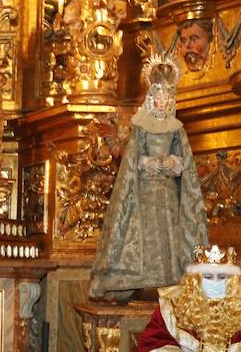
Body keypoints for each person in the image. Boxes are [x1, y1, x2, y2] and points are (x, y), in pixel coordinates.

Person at [89, 49, 209, 300]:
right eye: (158, 96)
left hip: (166, 191)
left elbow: (183, 160)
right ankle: (139, 280)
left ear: (171, 99)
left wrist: (173, 163)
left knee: (168, 234)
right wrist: (146, 162)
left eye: (167, 96)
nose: (162, 101)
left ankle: (169, 280)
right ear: (151, 99)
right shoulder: (141, 125)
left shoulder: (176, 129)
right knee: (146, 233)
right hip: (144, 191)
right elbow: (133, 156)